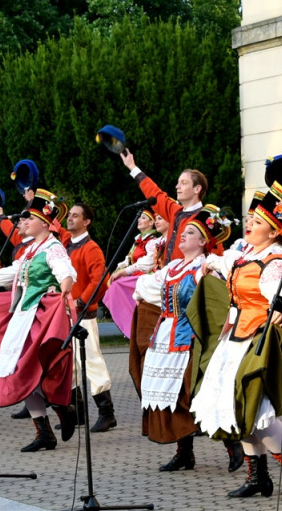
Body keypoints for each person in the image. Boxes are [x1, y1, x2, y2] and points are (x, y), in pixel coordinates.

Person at [193, 183, 282, 499]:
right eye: (251, 220)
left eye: (256, 222)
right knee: (236, 406)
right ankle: (258, 477)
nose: (250, 225)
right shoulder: (248, 252)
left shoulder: (275, 261)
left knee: (256, 407)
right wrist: (211, 263)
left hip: (262, 341)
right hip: (238, 336)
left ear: (272, 232)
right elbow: (227, 263)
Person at [0, 189, 79, 452]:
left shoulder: (53, 248)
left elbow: (66, 273)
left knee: (36, 371)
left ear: (44, 223)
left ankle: (62, 409)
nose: (23, 223)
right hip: (23, 316)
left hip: (41, 319)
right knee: (16, 370)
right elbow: (15, 273)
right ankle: (43, 430)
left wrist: (63, 289)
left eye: (28, 219)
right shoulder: (31, 249)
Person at [139, 206, 229, 472]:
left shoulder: (206, 267)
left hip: (191, 338)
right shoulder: (174, 266)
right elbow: (147, 286)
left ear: (203, 242)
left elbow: (215, 300)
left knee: (195, 393)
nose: (182, 236)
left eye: (190, 233)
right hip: (166, 336)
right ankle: (184, 452)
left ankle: (232, 446)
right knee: (173, 395)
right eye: (183, 231)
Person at [65, 200, 116, 433]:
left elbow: (100, 279)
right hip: (66, 312)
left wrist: (82, 301)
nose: (70, 218)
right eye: (70, 215)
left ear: (86, 222)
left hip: (83, 313)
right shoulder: (67, 244)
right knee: (71, 364)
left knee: (91, 362)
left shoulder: (90, 247)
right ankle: (77, 413)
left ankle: (107, 414)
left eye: (76, 216)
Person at [120, 150, 209, 260]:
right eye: (178, 182)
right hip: (168, 274)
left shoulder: (206, 219)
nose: (177, 186)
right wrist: (132, 167)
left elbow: (214, 257)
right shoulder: (175, 211)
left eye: (184, 183)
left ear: (197, 189)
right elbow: (155, 193)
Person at [106, 207, 162, 337]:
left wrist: (125, 271)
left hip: (145, 276)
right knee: (115, 282)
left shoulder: (151, 241)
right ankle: (129, 322)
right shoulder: (138, 241)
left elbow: (149, 262)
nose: (139, 220)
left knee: (117, 285)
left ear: (151, 223)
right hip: (135, 274)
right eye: (139, 217)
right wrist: (119, 268)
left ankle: (129, 323)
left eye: (143, 218)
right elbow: (128, 259)